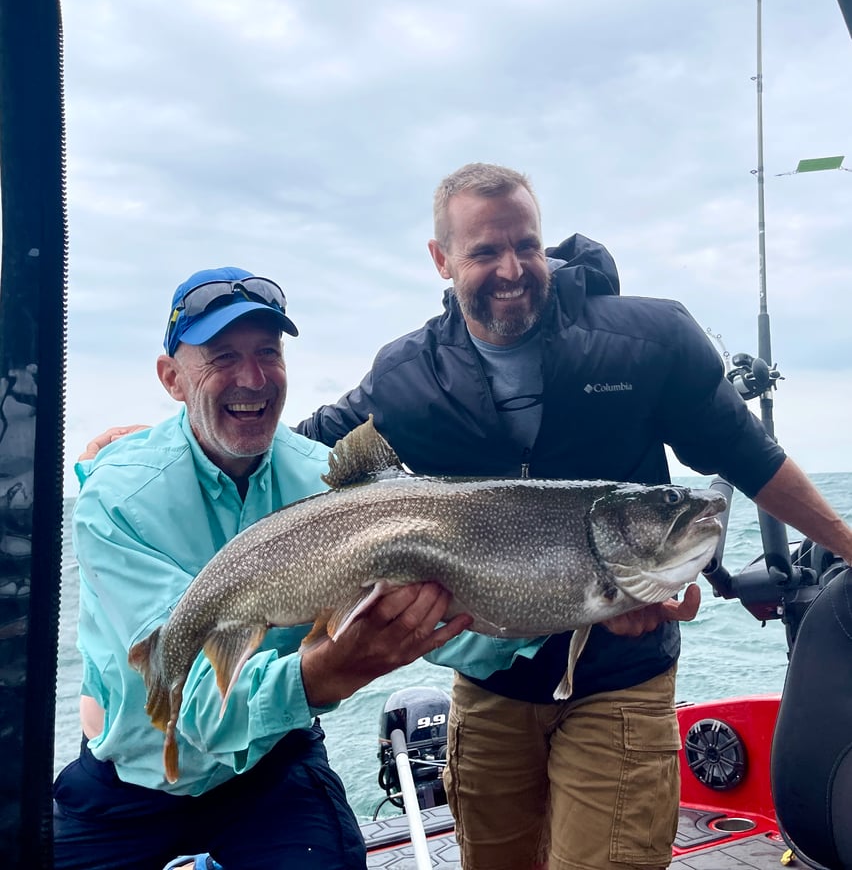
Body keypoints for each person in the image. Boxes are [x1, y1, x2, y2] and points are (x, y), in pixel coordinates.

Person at [295, 162, 852, 870]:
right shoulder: (409, 376)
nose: (511, 269)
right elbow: (303, 453)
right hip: (489, 686)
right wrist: (156, 446)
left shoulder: (646, 340)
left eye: (525, 245)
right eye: (484, 252)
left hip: (620, 678)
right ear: (441, 260)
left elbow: (750, 457)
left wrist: (847, 545)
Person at [53, 266, 471, 870]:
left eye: (268, 353)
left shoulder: (327, 480)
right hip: (130, 776)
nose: (252, 378)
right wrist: (320, 677)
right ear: (172, 378)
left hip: (270, 761)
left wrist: (578, 609)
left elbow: (457, 606)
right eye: (222, 356)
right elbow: (192, 703)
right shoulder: (118, 498)